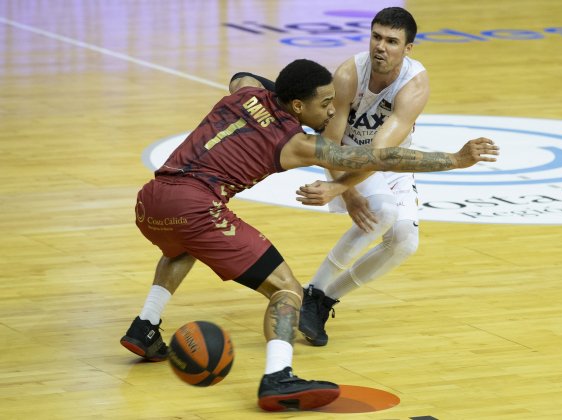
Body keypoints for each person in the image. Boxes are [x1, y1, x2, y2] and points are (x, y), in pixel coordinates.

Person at [119, 59, 498, 411]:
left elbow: (242, 76)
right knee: (287, 290)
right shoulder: (296, 144)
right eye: (326, 103)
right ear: (297, 106)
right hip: (196, 207)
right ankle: (278, 377)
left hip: (152, 201)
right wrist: (455, 159)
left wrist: (280, 92)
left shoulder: (246, 92)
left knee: (184, 244)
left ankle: (145, 326)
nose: (334, 111)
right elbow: (380, 158)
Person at [295, 7, 435, 346]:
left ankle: (323, 300)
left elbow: (381, 154)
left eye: (391, 41)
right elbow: (330, 144)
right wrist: (347, 191)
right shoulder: (348, 75)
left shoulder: (414, 85)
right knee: (384, 212)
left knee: (404, 242)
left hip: (388, 160)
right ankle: (312, 293)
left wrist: (339, 189)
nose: (380, 47)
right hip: (346, 155)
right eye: (376, 37)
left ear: (408, 48)